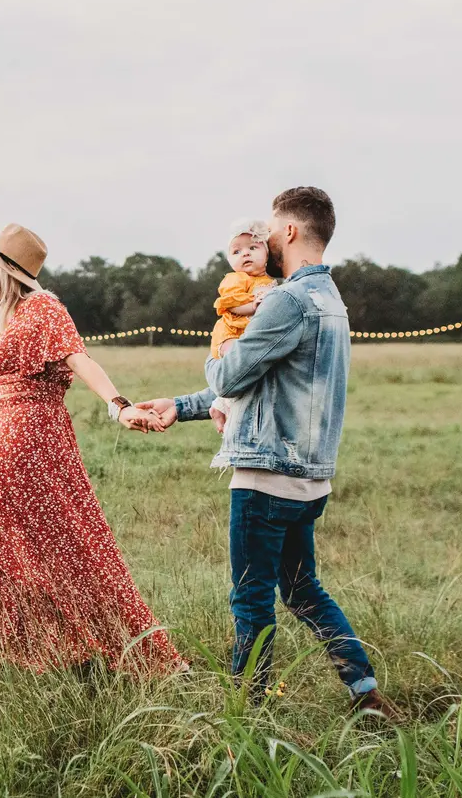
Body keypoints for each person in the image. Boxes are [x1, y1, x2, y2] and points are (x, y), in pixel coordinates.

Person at [137, 188, 396, 716]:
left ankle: (248, 714)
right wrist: (182, 406)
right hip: (310, 480)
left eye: (272, 231)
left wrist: (222, 352)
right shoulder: (331, 302)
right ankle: (364, 693)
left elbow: (232, 373)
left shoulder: (285, 300)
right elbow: (266, 383)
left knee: (251, 600)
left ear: (292, 232)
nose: (266, 240)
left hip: (265, 478)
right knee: (303, 591)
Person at [0, 223, 184, 673]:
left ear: (3, 270)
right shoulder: (14, 318)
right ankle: (11, 654)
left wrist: (119, 405)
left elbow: (79, 357)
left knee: (63, 544)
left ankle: (81, 648)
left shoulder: (44, 308)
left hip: (31, 441)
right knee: (9, 546)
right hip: (6, 441)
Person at [208, 219, 277, 426]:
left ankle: (220, 406)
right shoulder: (236, 278)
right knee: (238, 363)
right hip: (229, 334)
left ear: (267, 254)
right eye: (237, 252)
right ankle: (224, 408)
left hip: (246, 334)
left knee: (249, 370)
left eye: (253, 248)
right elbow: (232, 304)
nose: (245, 254)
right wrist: (254, 306)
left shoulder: (269, 282)